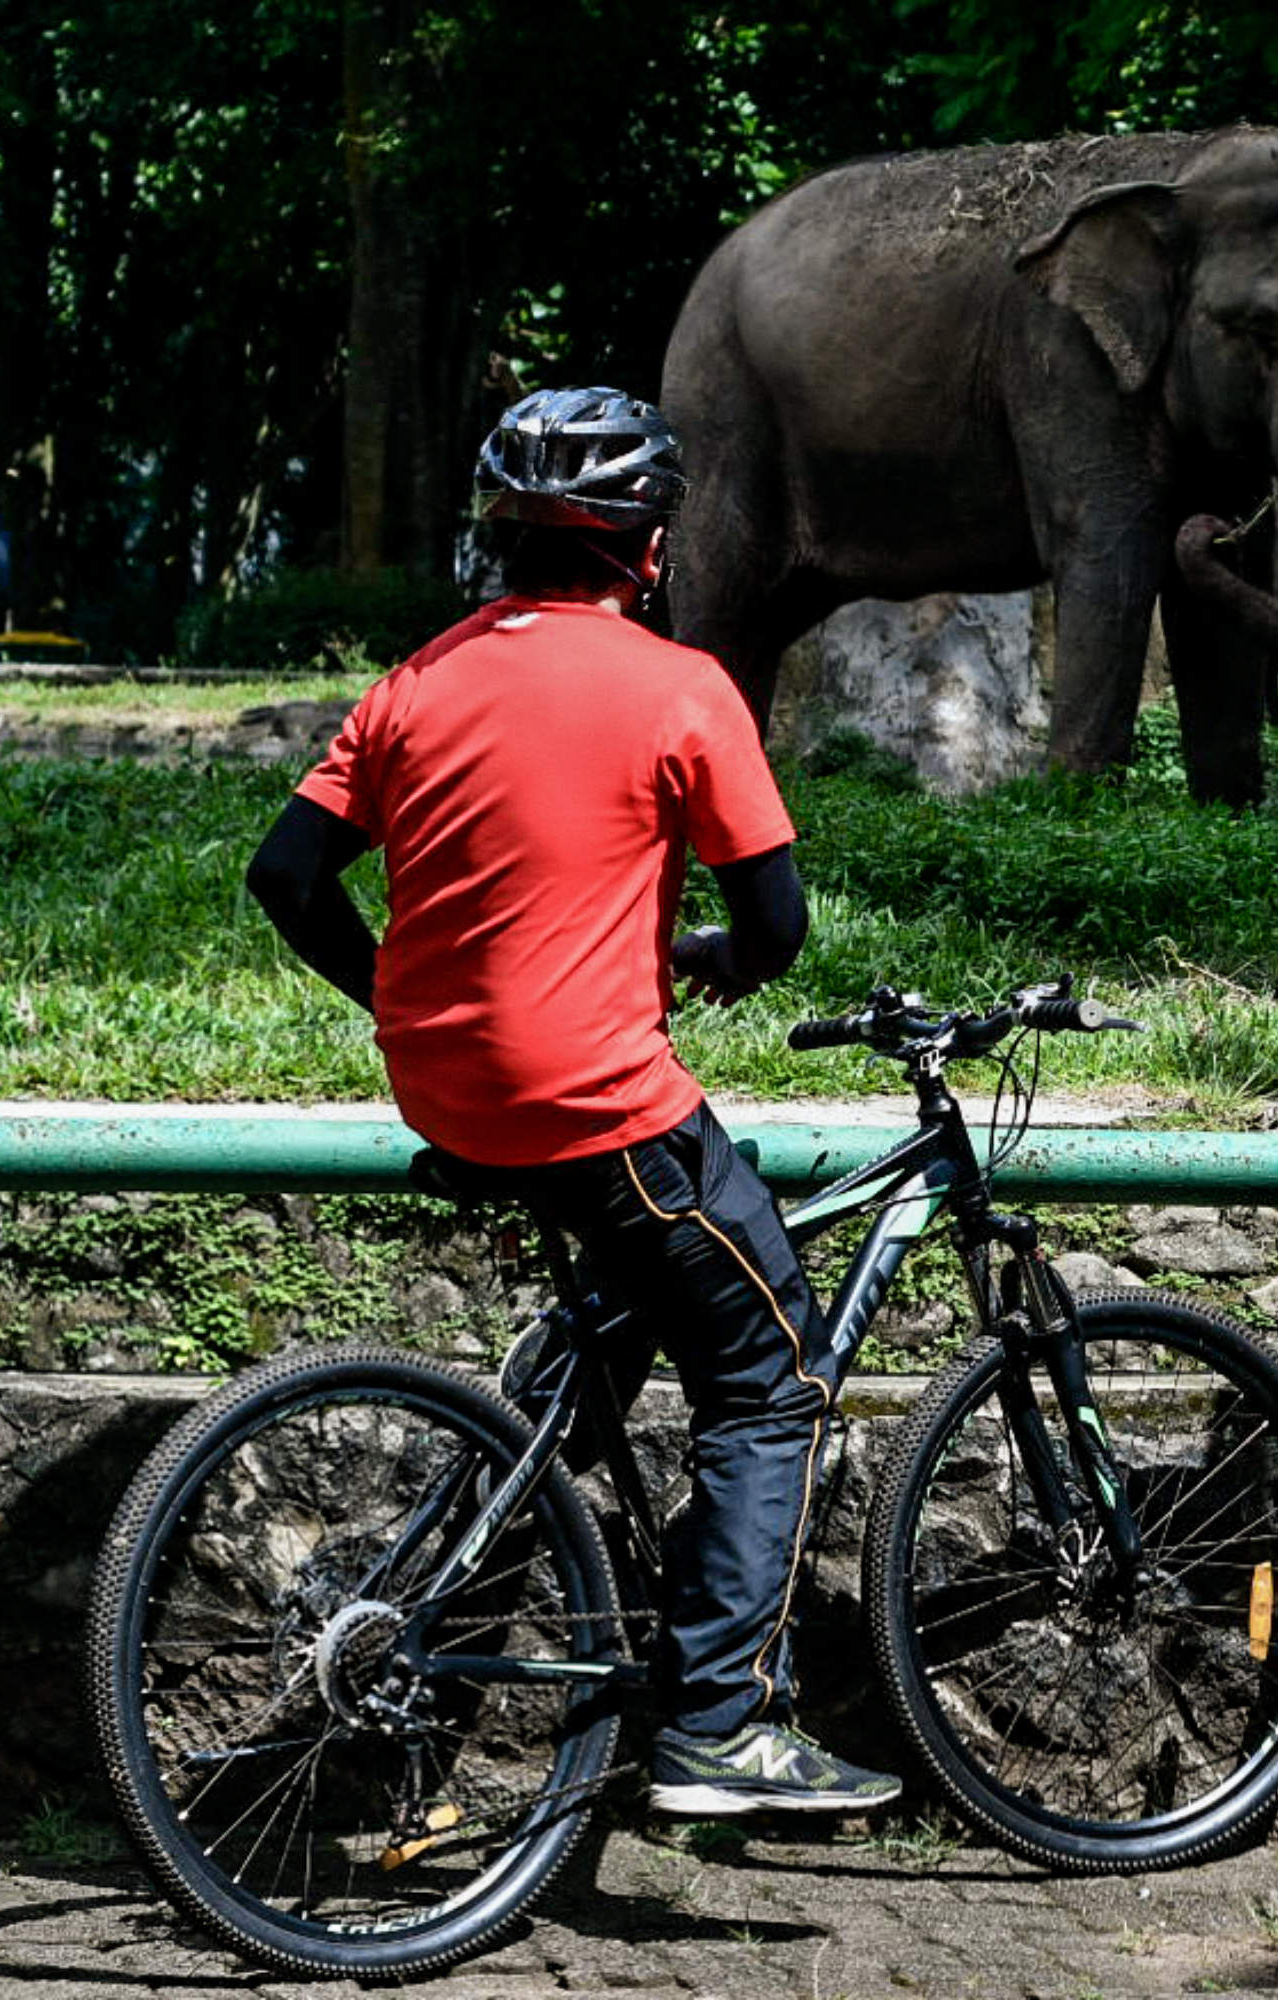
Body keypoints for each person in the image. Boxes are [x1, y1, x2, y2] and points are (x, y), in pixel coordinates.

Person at [245, 385, 900, 1818]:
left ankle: (500, 1522)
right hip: (600, 1101)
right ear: (647, 550)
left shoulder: (418, 681)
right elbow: (777, 928)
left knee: (616, 1319)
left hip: (448, 1090)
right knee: (768, 1372)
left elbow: (287, 878)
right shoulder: (681, 690)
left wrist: (407, 1005)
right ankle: (723, 1724)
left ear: (498, 541)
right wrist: (718, 961)